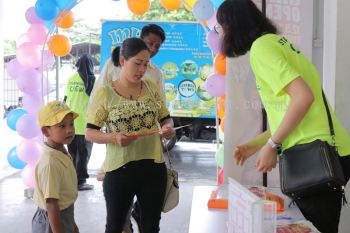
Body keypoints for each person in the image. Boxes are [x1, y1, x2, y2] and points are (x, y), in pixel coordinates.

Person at [216, 0, 350, 233]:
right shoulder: (280, 44)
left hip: (316, 156)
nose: (221, 34)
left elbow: (303, 98)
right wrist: (256, 145)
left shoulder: (262, 49)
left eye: (221, 27)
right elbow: (293, 111)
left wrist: (271, 144)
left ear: (233, 25)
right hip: (330, 151)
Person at [86, 37, 175, 233]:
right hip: (119, 171)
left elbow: (166, 119)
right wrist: (113, 138)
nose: (142, 70)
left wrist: (168, 128)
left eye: (145, 64)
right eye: (137, 63)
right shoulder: (105, 93)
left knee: (151, 227)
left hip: (153, 168)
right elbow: (90, 133)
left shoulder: (151, 88)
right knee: (115, 226)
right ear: (123, 61)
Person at [32, 100, 79, 233]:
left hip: (63, 214)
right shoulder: (50, 163)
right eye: (62, 126)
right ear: (46, 132)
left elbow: (63, 199)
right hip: (52, 221)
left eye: (71, 124)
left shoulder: (61, 151)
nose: (70, 130)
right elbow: (51, 203)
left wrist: (72, 224)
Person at [64, 54, 96, 191]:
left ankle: (72, 181)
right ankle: (80, 182)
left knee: (72, 153)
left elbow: (65, 99)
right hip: (86, 123)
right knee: (84, 154)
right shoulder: (92, 80)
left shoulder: (71, 79)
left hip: (70, 122)